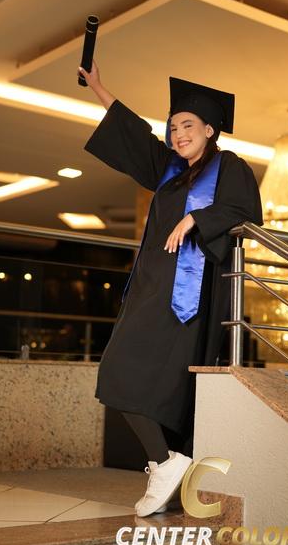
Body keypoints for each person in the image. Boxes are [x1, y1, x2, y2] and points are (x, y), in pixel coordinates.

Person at [79, 62, 263, 517]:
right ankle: (167, 465)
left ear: (210, 129)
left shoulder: (230, 167)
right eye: (174, 126)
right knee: (123, 373)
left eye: (188, 126)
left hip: (188, 296)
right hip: (150, 289)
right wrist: (99, 87)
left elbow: (246, 211)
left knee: (134, 377)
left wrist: (196, 217)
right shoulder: (170, 170)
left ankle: (164, 463)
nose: (178, 134)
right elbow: (134, 135)